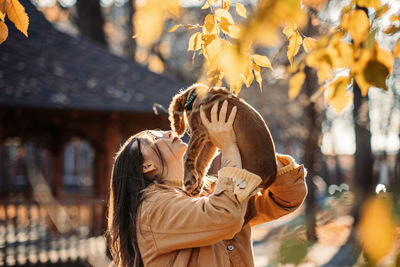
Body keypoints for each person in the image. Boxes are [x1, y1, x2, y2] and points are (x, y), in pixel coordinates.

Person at [106, 100, 307, 267]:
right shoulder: (151, 209)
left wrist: (244, 141)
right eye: (152, 139)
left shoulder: (209, 190)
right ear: (146, 166)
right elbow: (224, 217)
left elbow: (287, 197)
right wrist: (229, 150)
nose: (167, 133)